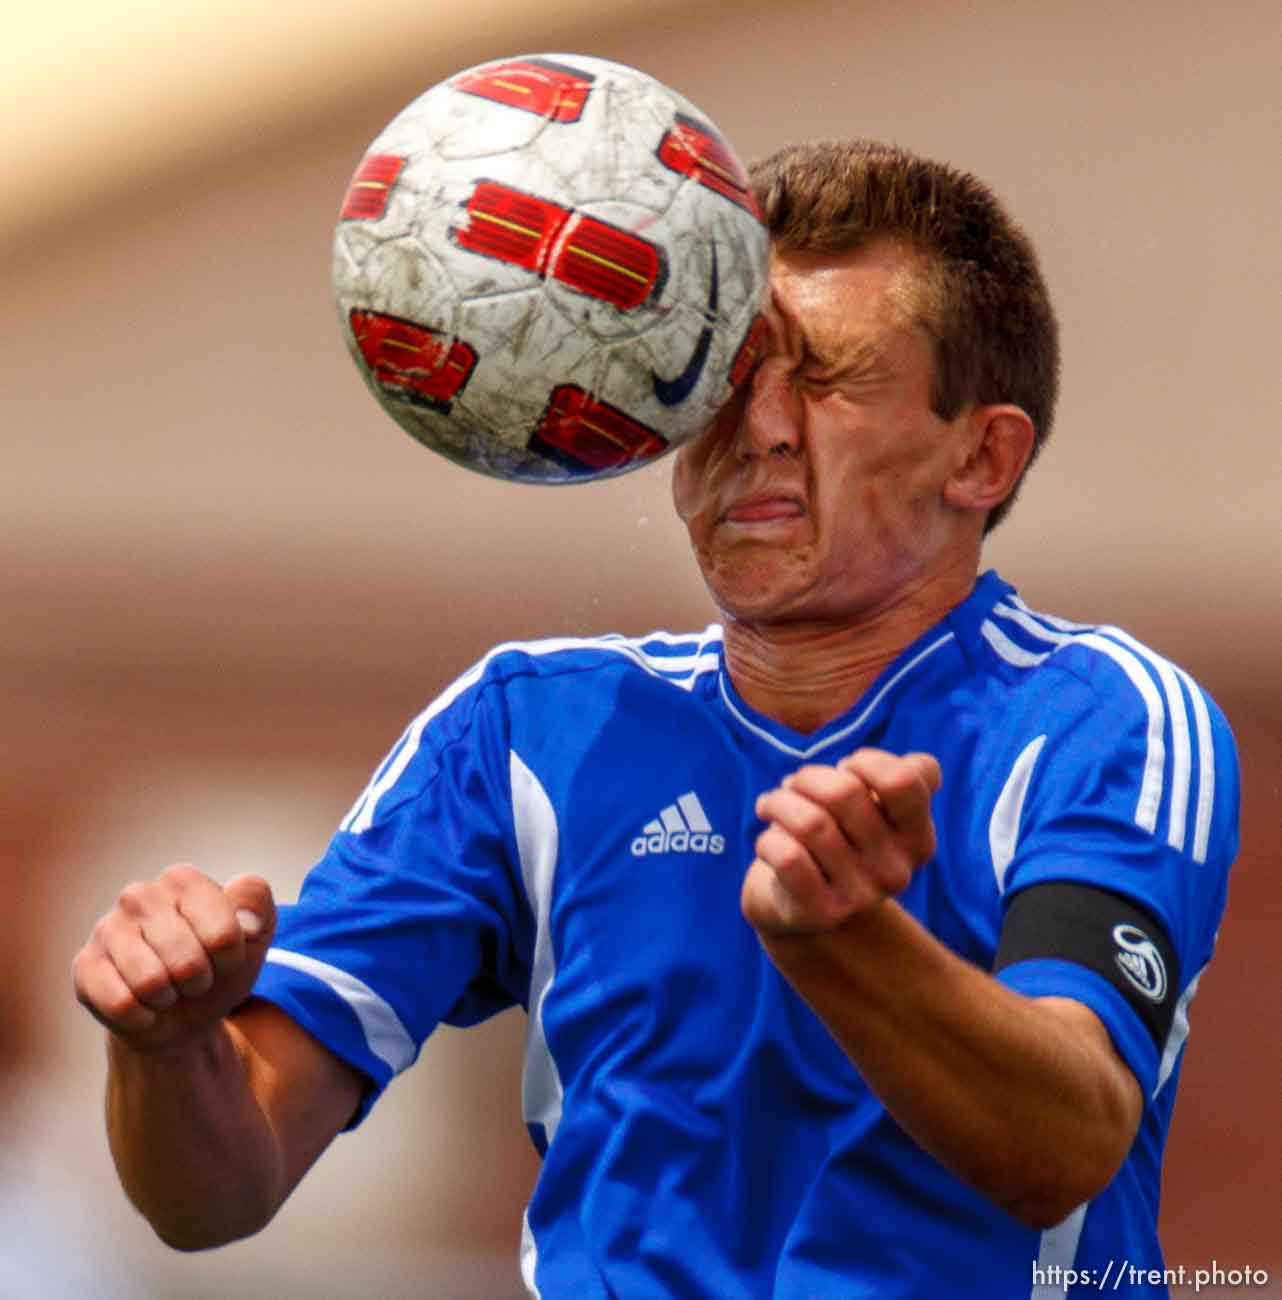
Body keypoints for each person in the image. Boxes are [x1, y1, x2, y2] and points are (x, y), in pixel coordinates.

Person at [73, 139, 1238, 1298]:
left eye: (826, 378)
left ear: (981, 455)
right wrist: (165, 1046)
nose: (759, 426)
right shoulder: (526, 730)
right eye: (718, 372)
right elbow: (212, 1194)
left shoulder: (1104, 718)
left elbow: (1065, 1140)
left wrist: (846, 942)